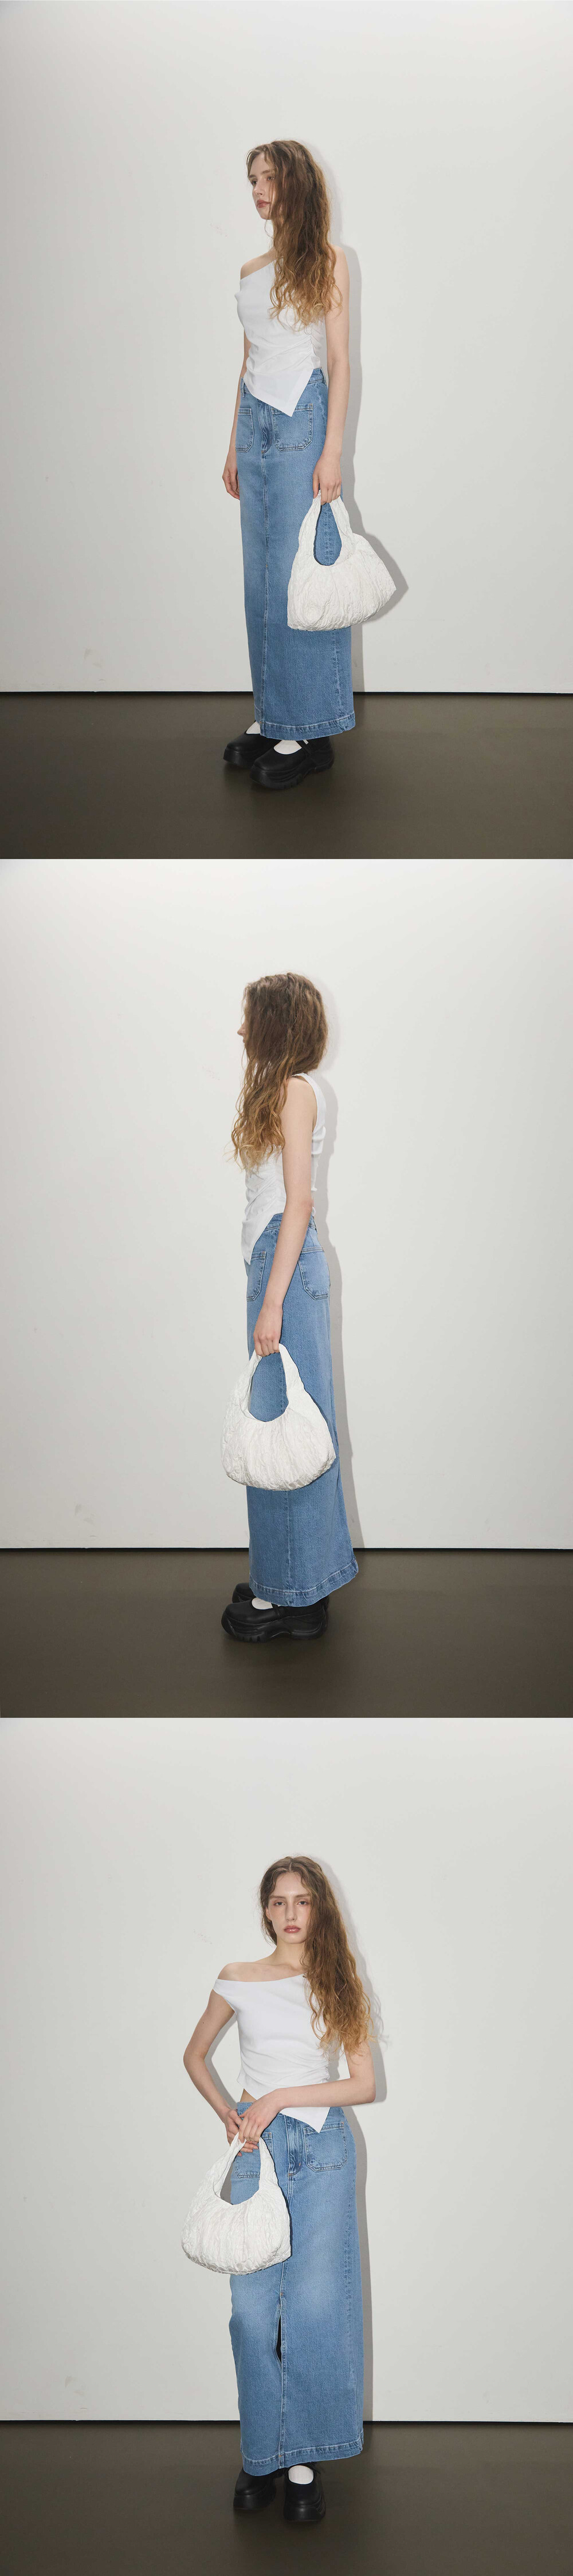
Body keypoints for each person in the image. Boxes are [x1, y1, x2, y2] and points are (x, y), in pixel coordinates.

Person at [183, 1856, 376, 2522]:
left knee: (316, 2310)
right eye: (278, 1900)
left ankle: (302, 2460)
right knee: (252, 2313)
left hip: (322, 2149)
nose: (291, 1912)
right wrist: (229, 2111)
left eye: (303, 1900)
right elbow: (194, 2053)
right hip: (255, 2151)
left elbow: (363, 2083)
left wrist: (278, 2096)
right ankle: (261, 2450)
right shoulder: (238, 1976)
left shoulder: (338, 1980)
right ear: (266, 1909)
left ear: (319, 1907)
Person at [221, 970, 358, 1643]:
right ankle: (294, 1580)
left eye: (250, 1018)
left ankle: (291, 1596)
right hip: (277, 1260)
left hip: (284, 1261)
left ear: (274, 1023)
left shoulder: (293, 1090)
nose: (241, 1028)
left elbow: (298, 1201)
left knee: (286, 1427)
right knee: (290, 1423)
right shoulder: (288, 1089)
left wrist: (272, 1299)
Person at [222, 139, 354, 792]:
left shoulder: (326, 260)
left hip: (302, 418)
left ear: (294, 182)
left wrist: (332, 451)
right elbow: (247, 360)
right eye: (252, 179)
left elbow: (340, 362)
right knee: (259, 581)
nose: (258, 189)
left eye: (268, 178)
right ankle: (274, 715)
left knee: (296, 574)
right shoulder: (252, 268)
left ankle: (307, 730)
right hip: (255, 421)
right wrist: (233, 443)